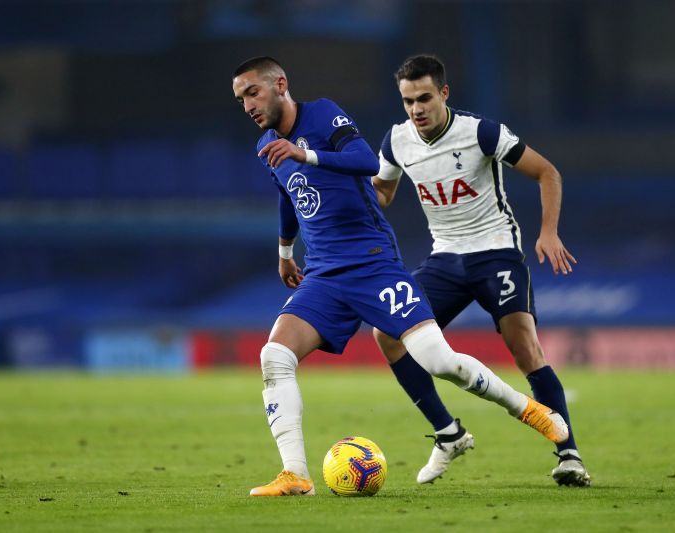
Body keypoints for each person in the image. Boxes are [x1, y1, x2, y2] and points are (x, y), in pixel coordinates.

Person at [232, 56, 569, 497]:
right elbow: (287, 194)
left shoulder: (322, 114)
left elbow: (363, 162)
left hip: (372, 262)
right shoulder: (267, 146)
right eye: (240, 99)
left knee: (437, 360)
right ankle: (296, 474)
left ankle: (525, 408)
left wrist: (306, 153)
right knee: (274, 356)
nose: (247, 105)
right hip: (323, 273)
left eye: (252, 92)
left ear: (280, 85)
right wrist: (283, 252)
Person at [372, 54, 591, 487]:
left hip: (495, 253)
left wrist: (548, 232)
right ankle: (447, 432)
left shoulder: (480, 132)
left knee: (524, 345)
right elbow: (383, 192)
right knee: (387, 334)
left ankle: (570, 455)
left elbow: (547, 172)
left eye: (424, 98)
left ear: (444, 94)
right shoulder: (396, 142)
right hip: (444, 259)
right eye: (408, 101)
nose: (416, 109)